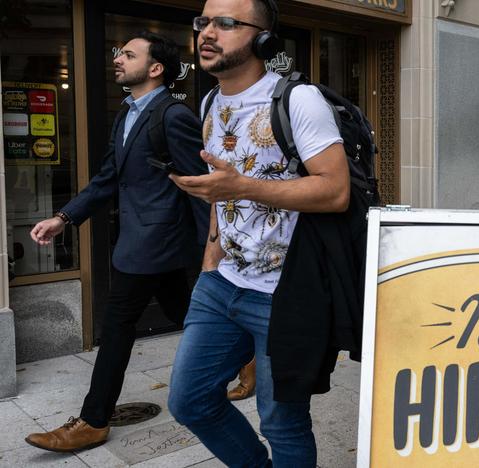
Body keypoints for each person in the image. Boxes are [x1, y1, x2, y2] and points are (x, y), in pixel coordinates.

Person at [166, 0, 349, 466]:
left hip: (285, 293)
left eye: (227, 23)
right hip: (221, 283)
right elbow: (219, 193)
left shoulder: (297, 99)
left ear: (263, 39)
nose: (209, 32)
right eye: (204, 21)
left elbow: (335, 191)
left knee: (282, 423)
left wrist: (240, 186)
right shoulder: (209, 101)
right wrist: (211, 260)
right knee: (189, 402)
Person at [24, 31, 209, 452]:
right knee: (186, 313)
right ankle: (246, 359)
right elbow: (109, 177)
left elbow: (200, 187)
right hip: (140, 239)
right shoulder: (126, 113)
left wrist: (209, 249)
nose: (118, 60)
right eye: (118, 53)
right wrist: (64, 217)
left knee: (117, 324)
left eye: (128, 54)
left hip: (154, 241)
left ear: (156, 68)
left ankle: (93, 419)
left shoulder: (173, 115)